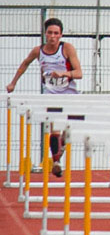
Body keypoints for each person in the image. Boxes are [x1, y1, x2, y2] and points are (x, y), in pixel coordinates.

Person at [6, 18, 82, 177]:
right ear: (45, 34)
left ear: (61, 35)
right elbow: (24, 64)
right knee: (53, 128)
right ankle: (56, 162)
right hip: (50, 94)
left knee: (67, 131)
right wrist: (13, 83)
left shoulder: (67, 48)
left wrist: (64, 73)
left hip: (69, 93)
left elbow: (79, 73)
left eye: (56, 33)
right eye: (50, 33)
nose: (52, 36)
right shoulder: (38, 51)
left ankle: (59, 151)